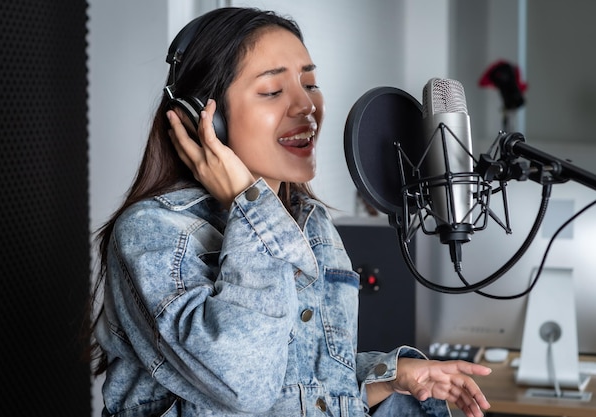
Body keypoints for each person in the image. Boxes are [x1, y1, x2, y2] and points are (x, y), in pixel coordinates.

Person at [87, 7, 492, 417]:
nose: (306, 105)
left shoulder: (310, 223)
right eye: (272, 91)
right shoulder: (153, 233)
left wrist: (388, 376)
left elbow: (302, 391)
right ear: (203, 119)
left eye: (310, 83)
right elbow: (245, 385)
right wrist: (249, 201)